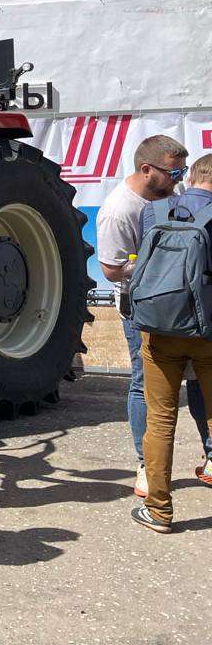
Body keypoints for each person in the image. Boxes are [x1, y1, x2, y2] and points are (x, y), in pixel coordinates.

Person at [96, 134, 210, 497]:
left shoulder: (168, 196)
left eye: (181, 172)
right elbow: (111, 270)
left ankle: (210, 456)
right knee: (145, 387)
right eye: (173, 172)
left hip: (191, 305)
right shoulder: (119, 210)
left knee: (199, 380)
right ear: (147, 170)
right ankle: (146, 466)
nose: (179, 180)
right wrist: (158, 267)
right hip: (143, 309)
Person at [130, 152, 212, 532]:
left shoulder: (156, 212)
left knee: (161, 420)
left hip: (160, 328)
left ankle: (159, 511)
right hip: (209, 331)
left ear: (192, 175)